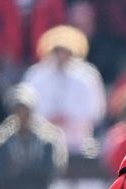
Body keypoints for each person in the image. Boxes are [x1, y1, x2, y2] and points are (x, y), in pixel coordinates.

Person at [23, 25, 105, 155]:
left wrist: (69, 118)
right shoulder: (36, 75)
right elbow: (26, 107)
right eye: (57, 50)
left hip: (77, 144)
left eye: (65, 51)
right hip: (41, 144)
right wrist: (47, 118)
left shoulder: (87, 77)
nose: (61, 55)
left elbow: (96, 111)